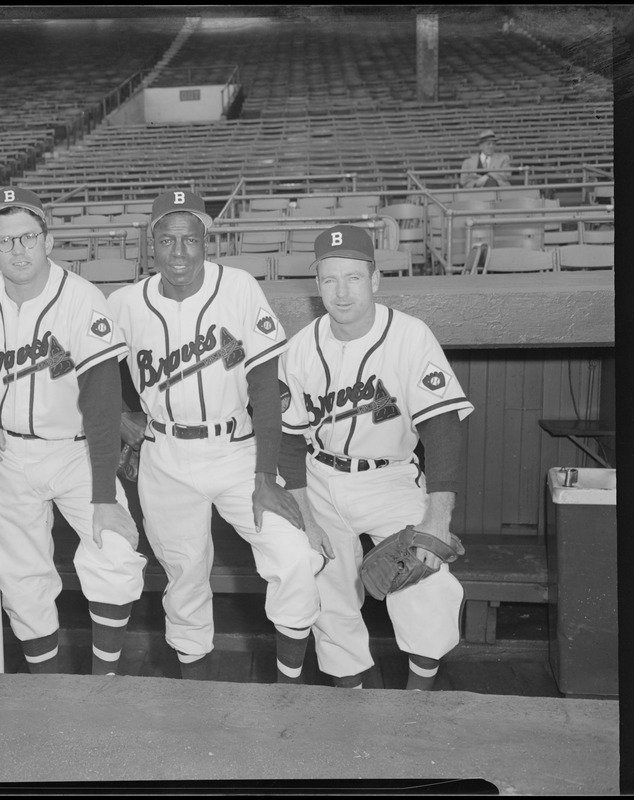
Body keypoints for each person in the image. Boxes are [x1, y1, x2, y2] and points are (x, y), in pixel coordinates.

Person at [109, 189, 324, 683]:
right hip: (165, 455)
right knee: (184, 577)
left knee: (294, 553)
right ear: (151, 244)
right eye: (167, 240)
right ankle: (196, 696)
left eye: (190, 240)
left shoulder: (240, 288)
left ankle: (288, 690)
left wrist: (266, 476)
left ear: (207, 241)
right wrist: (120, 414)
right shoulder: (123, 303)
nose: (179, 253)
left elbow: (266, 389)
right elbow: (83, 370)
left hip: (237, 451)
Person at [0, 187, 146, 675]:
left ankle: (104, 680)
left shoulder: (81, 299)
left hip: (76, 451)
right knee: (22, 581)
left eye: (28, 236)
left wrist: (103, 495)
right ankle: (45, 689)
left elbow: (100, 401)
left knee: (114, 551)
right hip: (6, 453)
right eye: (5, 241)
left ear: (48, 241)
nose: (18, 250)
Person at [277, 224, 475, 691]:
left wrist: (437, 518)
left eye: (353, 278)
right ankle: (353, 708)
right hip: (320, 477)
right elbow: (289, 440)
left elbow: (443, 427)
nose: (341, 292)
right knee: (326, 590)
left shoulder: (410, 337)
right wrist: (306, 517)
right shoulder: (301, 347)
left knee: (428, 582)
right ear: (318, 284)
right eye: (329, 279)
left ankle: (416, 707)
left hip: (389, 479)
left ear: (375, 280)